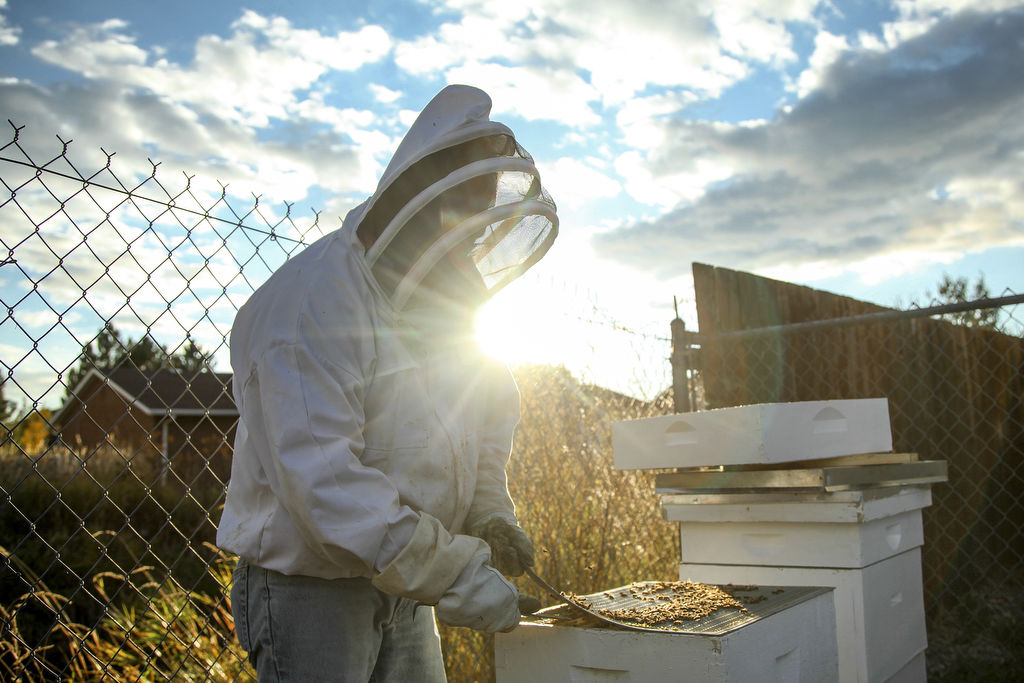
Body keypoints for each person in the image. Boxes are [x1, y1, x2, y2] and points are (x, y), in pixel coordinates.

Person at [216, 84, 558, 682]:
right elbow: (327, 486)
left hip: (401, 582)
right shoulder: (309, 308)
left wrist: (488, 513)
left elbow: (477, 421)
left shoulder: (440, 305)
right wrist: (455, 573)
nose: (472, 235)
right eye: (464, 213)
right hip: (309, 590)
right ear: (421, 199)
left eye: (481, 220)